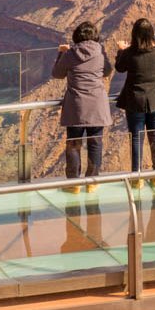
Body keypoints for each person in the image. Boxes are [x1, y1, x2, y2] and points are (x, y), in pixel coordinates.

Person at [52, 21, 111, 189]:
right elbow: (107, 71)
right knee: (95, 143)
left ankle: (74, 184)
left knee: (74, 143)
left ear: (77, 36)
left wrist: (60, 54)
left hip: (76, 106)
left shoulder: (70, 54)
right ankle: (92, 182)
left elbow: (57, 74)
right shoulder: (100, 52)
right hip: (97, 106)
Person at [115, 18, 155, 181]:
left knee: (136, 138)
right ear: (151, 34)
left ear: (134, 34)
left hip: (135, 102)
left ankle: (137, 178)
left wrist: (121, 50)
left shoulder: (130, 53)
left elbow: (119, 68)